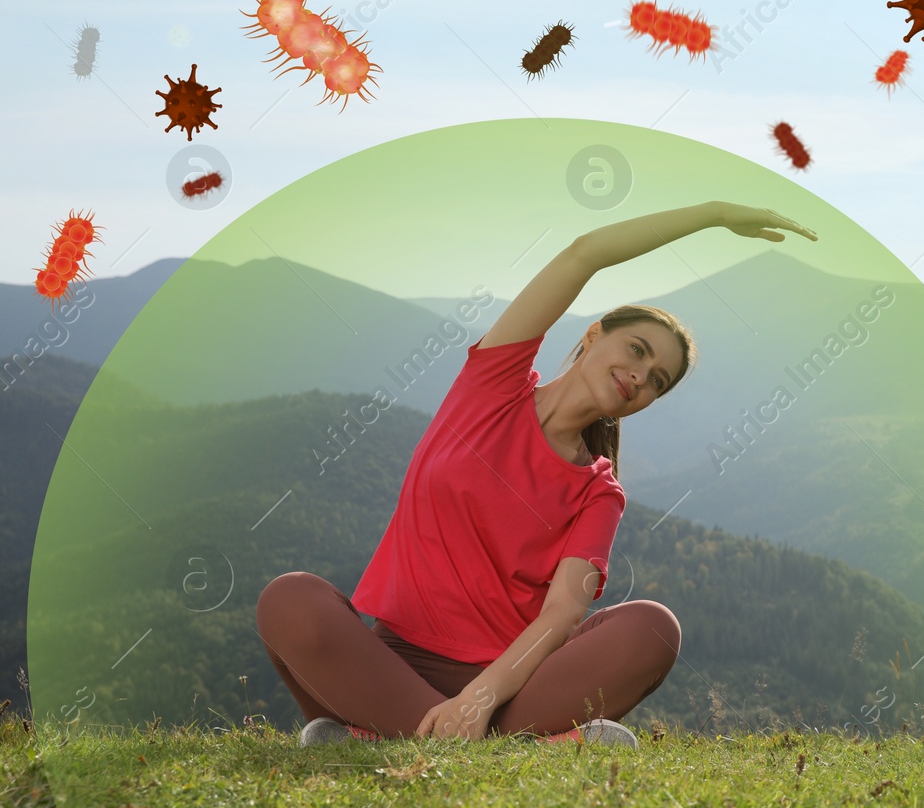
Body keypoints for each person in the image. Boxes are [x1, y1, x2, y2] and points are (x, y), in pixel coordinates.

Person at [255, 201, 820, 745]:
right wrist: (713, 214)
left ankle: (385, 738)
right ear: (594, 335)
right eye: (638, 350)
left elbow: (564, 613)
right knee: (291, 601)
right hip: (393, 667)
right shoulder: (491, 385)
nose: (640, 376)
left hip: (512, 687)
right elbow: (584, 253)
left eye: (657, 380)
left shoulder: (600, 491)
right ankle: (505, 745)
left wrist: (478, 700)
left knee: (653, 626)